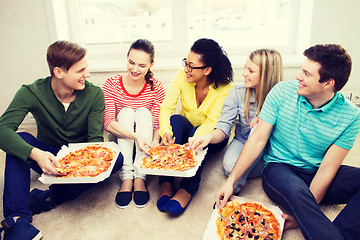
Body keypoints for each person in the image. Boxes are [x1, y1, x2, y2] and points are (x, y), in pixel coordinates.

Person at [216, 44, 360, 240]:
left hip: (316, 170)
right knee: (296, 190)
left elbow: (327, 168)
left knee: (305, 195)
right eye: (301, 70)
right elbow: (257, 140)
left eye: (307, 74)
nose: (298, 76)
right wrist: (230, 181)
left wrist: (302, 213)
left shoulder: (351, 116)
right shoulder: (282, 92)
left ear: (328, 83)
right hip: (279, 167)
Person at [0, 41, 123, 240]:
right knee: (20, 139)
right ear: (59, 72)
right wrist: (35, 153)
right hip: (47, 157)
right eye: (80, 70)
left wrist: (79, 166)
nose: (88, 74)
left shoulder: (94, 94)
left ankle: (48, 197)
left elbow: (94, 143)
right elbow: (2, 130)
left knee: (116, 158)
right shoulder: (30, 92)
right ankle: (16, 219)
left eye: (86, 68)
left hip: (80, 160)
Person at [157, 38, 234, 215]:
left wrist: (193, 141)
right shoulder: (181, 77)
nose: (186, 69)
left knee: (196, 134)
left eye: (191, 66)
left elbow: (212, 122)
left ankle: (188, 187)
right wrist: (165, 132)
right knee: (175, 120)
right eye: (186, 62)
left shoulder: (225, 88)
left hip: (212, 137)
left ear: (207, 70)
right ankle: (167, 181)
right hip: (187, 130)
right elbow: (166, 107)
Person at [189, 49, 283, 193]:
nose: (244, 73)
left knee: (259, 128)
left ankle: (232, 188)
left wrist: (263, 120)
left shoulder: (282, 97)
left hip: (268, 148)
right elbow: (224, 127)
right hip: (242, 141)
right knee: (229, 166)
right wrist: (208, 137)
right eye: (245, 68)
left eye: (250, 71)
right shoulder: (237, 92)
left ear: (266, 74)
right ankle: (262, 168)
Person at [102, 39, 166, 208]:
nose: (135, 69)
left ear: (151, 65)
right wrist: (135, 136)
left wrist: (154, 141)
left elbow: (157, 121)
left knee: (144, 113)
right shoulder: (111, 84)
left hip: (145, 142)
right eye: (131, 62)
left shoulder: (156, 86)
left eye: (142, 65)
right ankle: (127, 176)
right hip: (121, 136)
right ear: (127, 58)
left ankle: (140, 176)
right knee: (126, 112)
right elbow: (108, 122)